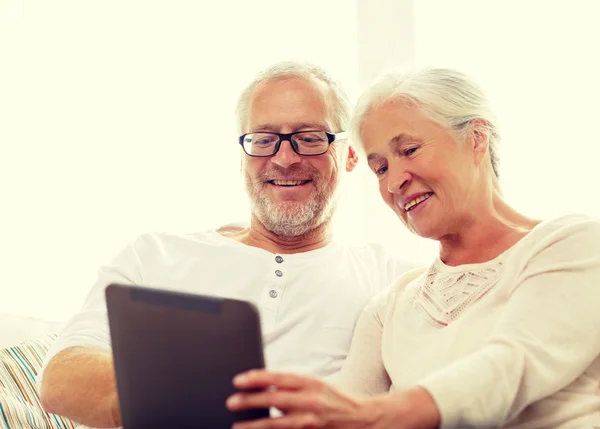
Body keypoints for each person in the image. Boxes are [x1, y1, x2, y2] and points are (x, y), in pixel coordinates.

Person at [38, 61, 413, 428]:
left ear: (349, 155)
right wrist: (200, 402)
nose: (284, 159)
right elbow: (61, 379)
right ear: (243, 156)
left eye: (310, 139)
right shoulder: (154, 256)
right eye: (263, 140)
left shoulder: (392, 280)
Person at [226, 68, 600, 429]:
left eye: (409, 149)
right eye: (380, 168)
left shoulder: (571, 244)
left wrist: (381, 415)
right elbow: (342, 413)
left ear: (476, 138)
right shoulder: (391, 306)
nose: (395, 182)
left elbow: (512, 364)